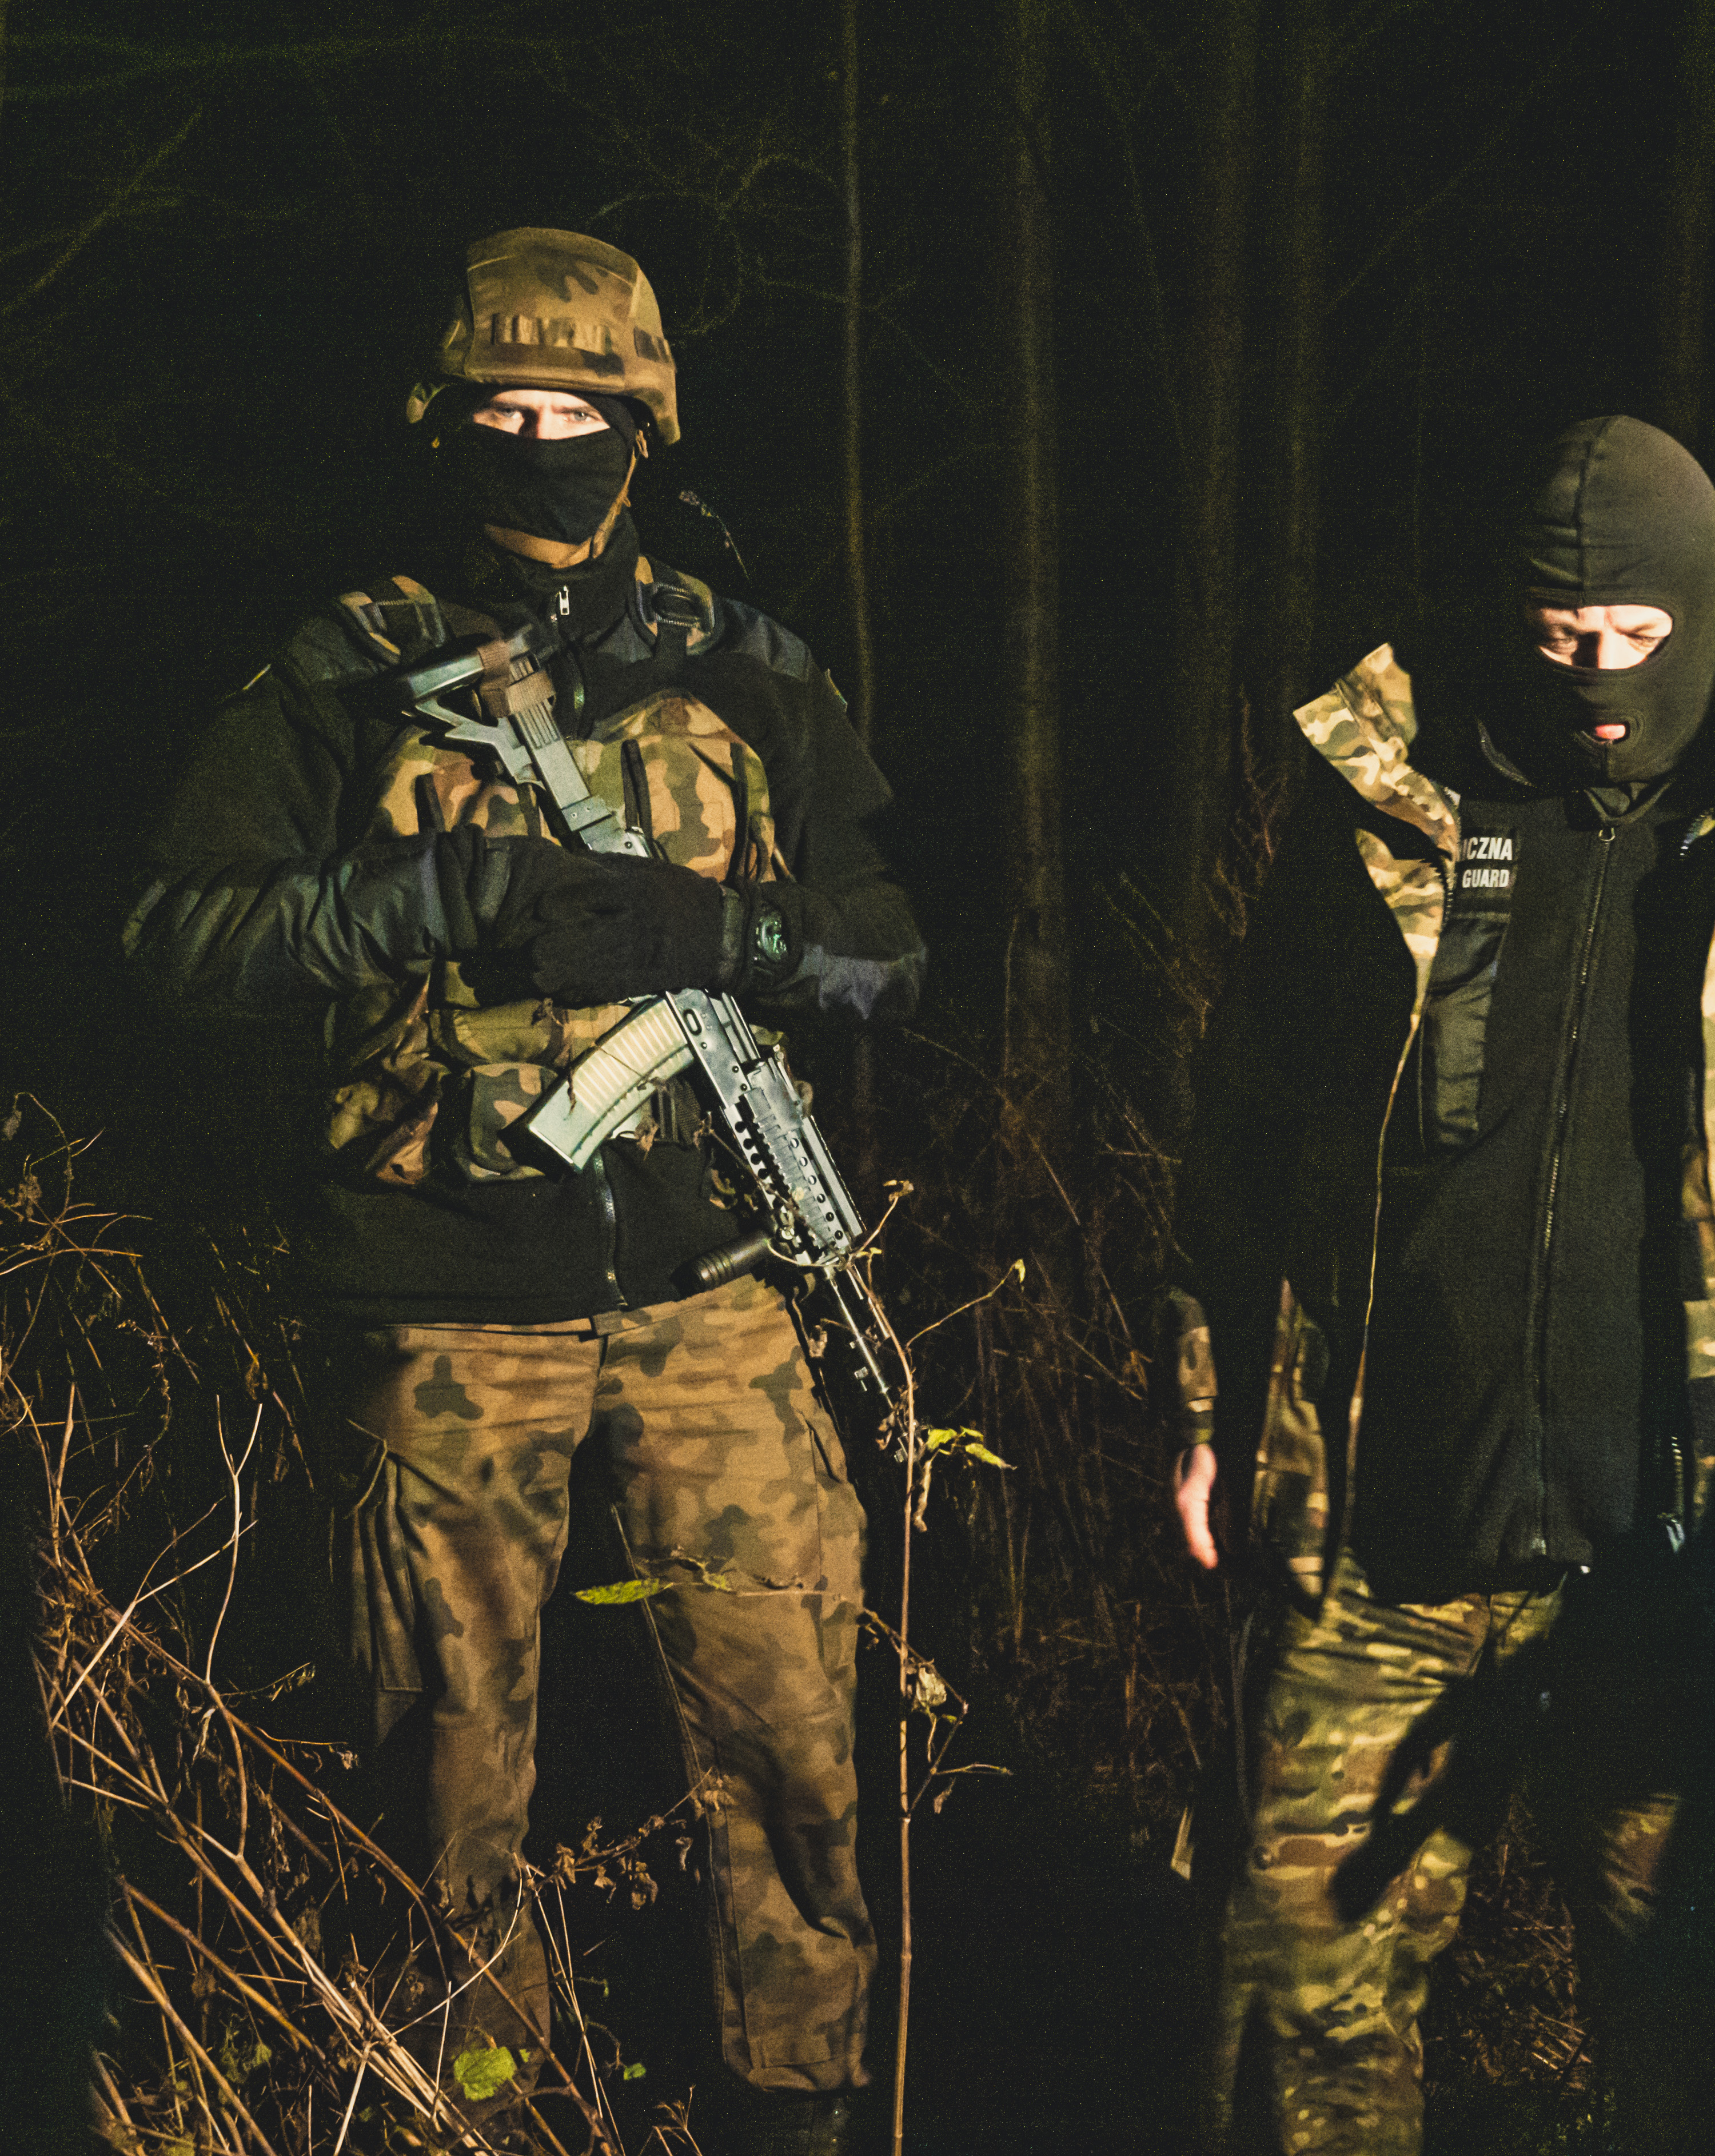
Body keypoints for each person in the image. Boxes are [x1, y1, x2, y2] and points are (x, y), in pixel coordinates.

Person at [125, 228, 924, 2156]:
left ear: (645, 429)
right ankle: (461, 2101)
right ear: (452, 421)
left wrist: (721, 931)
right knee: (443, 1763)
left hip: (711, 1286)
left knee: (792, 1729)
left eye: (584, 412)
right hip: (437, 1294)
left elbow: (890, 954)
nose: (547, 442)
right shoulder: (346, 668)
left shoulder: (748, 667)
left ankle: (795, 2104)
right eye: (511, 409)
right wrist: (433, 901)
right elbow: (178, 935)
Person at [1164, 415, 1715, 2153]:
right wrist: (1205, 1392)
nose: (1598, 678)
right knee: (1295, 2019)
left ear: (1701, 615)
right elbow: (1246, 1124)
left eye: (1637, 638)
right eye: (1558, 638)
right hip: (1386, 1529)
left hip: (1685, 1566)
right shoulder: (1391, 808)